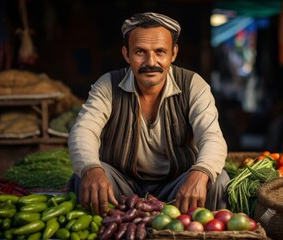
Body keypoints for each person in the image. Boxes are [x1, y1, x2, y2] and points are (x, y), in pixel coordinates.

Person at [67, 12, 229, 216]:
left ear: (174, 53)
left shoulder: (193, 85)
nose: (151, 61)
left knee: (218, 180)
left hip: (177, 186)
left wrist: (200, 173)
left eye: (160, 52)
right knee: (85, 178)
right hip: (122, 186)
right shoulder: (108, 84)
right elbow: (83, 131)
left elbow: (212, 136)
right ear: (126, 54)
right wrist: (92, 169)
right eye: (140, 52)